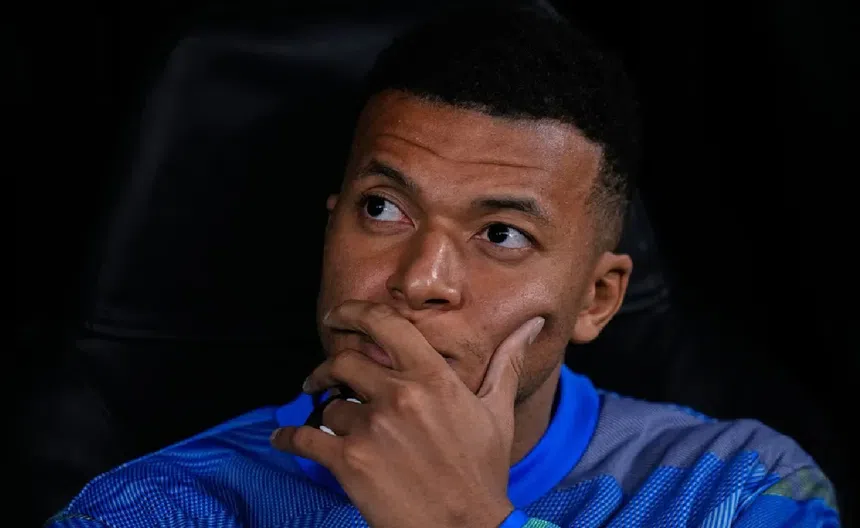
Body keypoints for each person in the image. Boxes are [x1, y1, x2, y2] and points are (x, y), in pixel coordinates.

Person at [45, 7, 839, 528]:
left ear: (597, 299)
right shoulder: (157, 508)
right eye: (383, 209)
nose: (419, 279)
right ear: (331, 229)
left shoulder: (742, 487)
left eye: (501, 233)